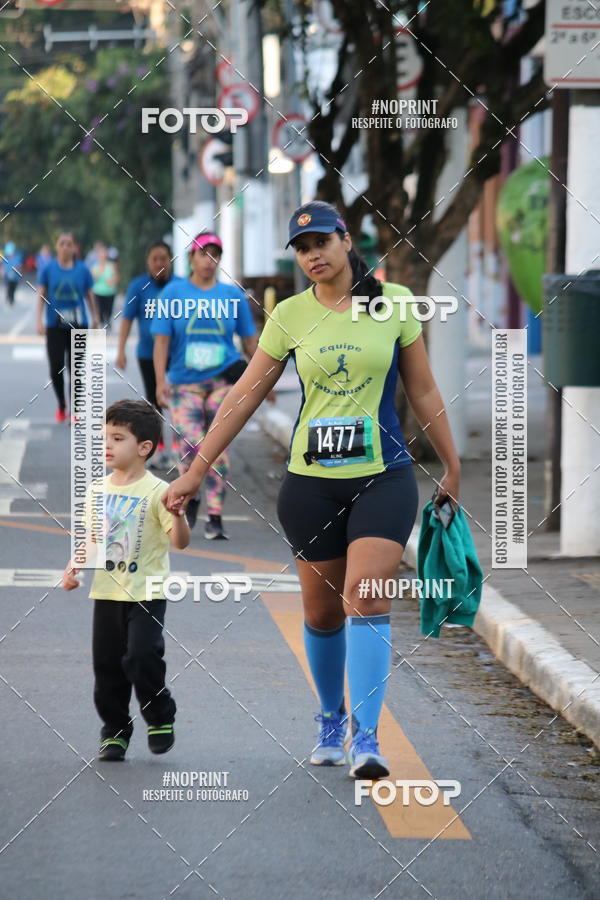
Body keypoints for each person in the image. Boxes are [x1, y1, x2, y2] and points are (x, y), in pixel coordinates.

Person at [161, 201, 462, 780]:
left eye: (322, 241)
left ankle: (367, 739)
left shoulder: (394, 303)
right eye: (301, 248)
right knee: (322, 614)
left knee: (367, 596)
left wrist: (451, 463)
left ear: (347, 241)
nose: (312, 255)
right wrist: (196, 470)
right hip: (310, 487)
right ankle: (330, 718)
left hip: (385, 477)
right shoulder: (291, 315)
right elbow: (244, 397)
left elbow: (423, 390)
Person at [61, 399, 190, 761]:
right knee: (107, 667)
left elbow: (178, 542)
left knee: (141, 656)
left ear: (144, 448)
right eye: (105, 437)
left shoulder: (157, 492)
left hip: (147, 591)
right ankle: (114, 731)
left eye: (117, 438)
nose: (107, 445)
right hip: (106, 594)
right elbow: (91, 539)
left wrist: (178, 516)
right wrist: (74, 566)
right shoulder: (97, 490)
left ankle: (160, 715)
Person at [152, 231, 258, 539]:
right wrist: (160, 381)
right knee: (191, 443)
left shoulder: (232, 296)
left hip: (224, 381)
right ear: (192, 258)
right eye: (203, 254)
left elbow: (251, 341)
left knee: (217, 445)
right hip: (184, 383)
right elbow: (161, 341)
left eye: (215, 255)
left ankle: (215, 515)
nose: (209, 261)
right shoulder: (173, 293)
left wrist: (265, 380)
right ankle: (193, 494)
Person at [116, 240, 174, 468]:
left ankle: (186, 448)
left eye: (164, 258)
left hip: (177, 355)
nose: (159, 263)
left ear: (170, 260)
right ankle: (159, 449)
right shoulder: (138, 287)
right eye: (155, 259)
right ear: (148, 262)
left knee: (179, 400)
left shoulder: (180, 286)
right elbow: (127, 320)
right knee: (154, 400)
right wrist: (121, 350)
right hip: (148, 354)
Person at [36, 232, 99, 422]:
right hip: (54, 325)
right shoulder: (48, 270)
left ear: (74, 248)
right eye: (62, 243)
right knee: (56, 367)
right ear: (56, 247)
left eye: (69, 244)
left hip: (79, 324)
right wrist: (38, 320)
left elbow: (89, 293)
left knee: (76, 368)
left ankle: (75, 410)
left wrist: (95, 317)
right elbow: (41, 294)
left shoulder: (83, 270)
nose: (65, 247)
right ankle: (62, 403)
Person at [91, 244, 119, 330]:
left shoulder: (111, 265)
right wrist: (96, 276)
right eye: (101, 254)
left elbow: (117, 276)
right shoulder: (94, 267)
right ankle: (102, 324)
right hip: (98, 292)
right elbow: (91, 279)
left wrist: (112, 281)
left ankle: (108, 321)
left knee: (108, 310)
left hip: (110, 292)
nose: (102, 255)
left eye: (104, 253)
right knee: (100, 311)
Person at [3, 241, 23, 306]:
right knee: (8, 288)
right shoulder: (5, 258)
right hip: (7, 278)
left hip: (15, 278)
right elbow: (3, 267)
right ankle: (9, 299)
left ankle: (11, 300)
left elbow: (19, 266)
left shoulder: (17, 257)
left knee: (13, 289)